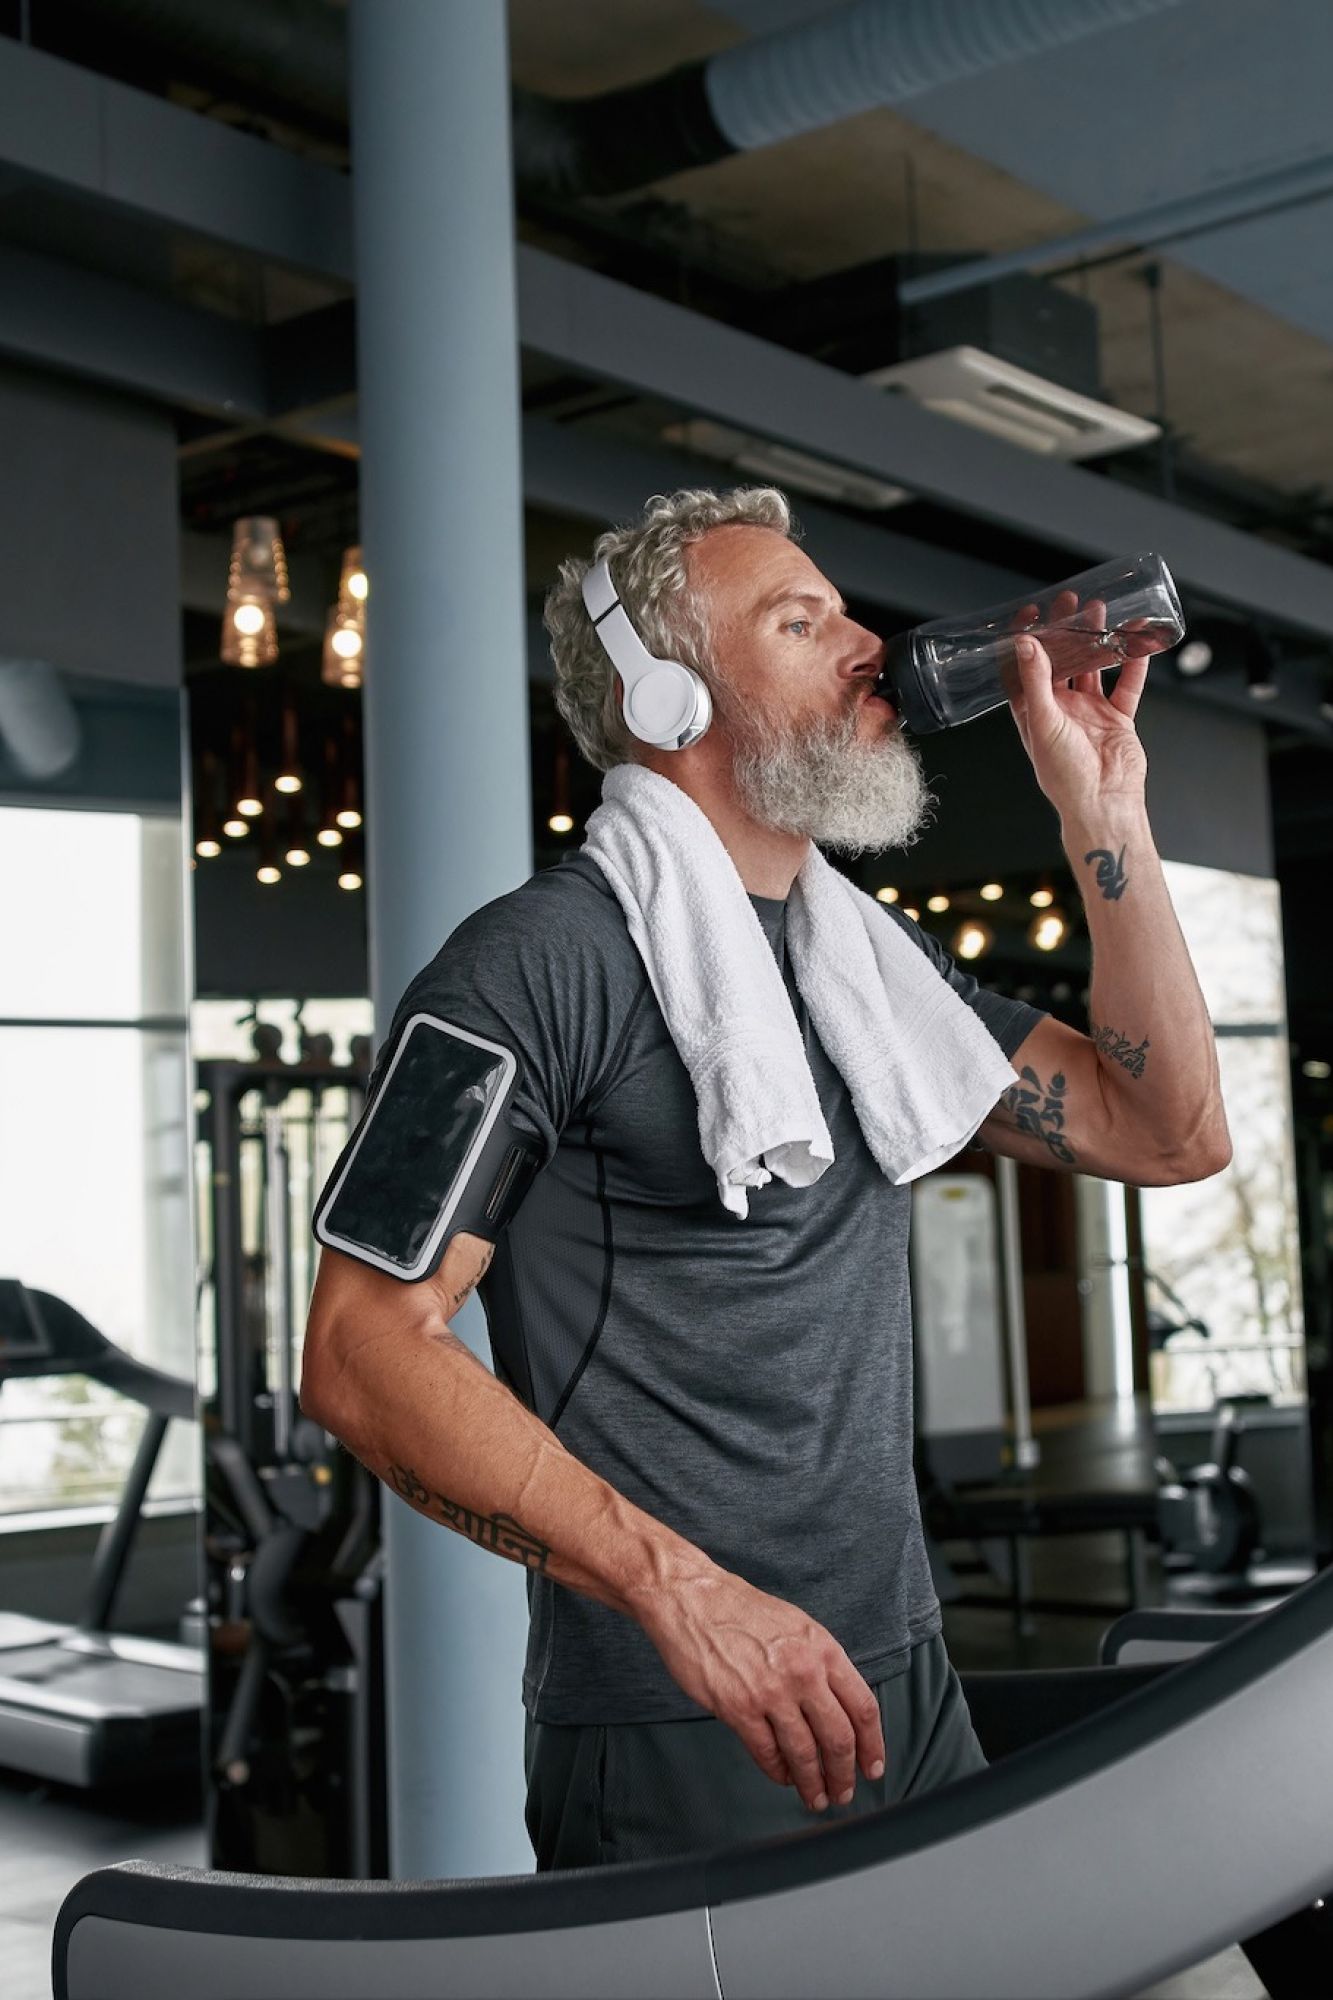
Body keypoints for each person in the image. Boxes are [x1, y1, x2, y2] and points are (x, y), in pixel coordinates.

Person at [300, 486, 1231, 1871]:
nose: (868, 646)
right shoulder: (535, 965)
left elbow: (1166, 1134)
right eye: (801, 623)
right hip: (683, 1715)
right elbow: (358, 1348)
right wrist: (677, 1591)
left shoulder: (869, 972)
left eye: (845, 611)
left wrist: (1104, 812)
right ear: (663, 697)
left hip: (900, 1681)